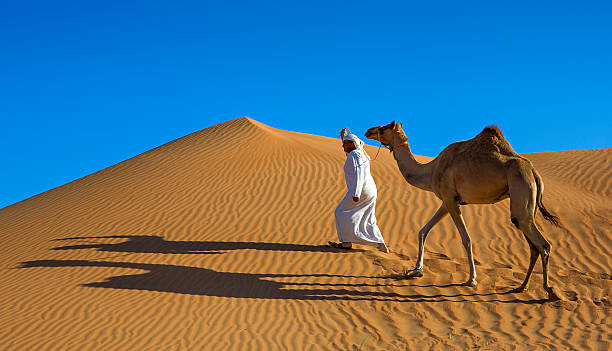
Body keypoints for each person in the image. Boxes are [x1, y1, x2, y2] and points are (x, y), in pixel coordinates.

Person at [329, 128, 390, 253]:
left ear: (352, 143)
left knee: (340, 212)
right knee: (368, 216)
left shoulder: (355, 154)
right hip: (370, 190)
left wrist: (356, 193)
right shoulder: (359, 153)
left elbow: (359, 172)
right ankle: (380, 243)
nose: (342, 146)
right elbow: (354, 156)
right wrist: (344, 137)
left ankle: (346, 243)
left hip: (361, 190)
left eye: (345, 143)